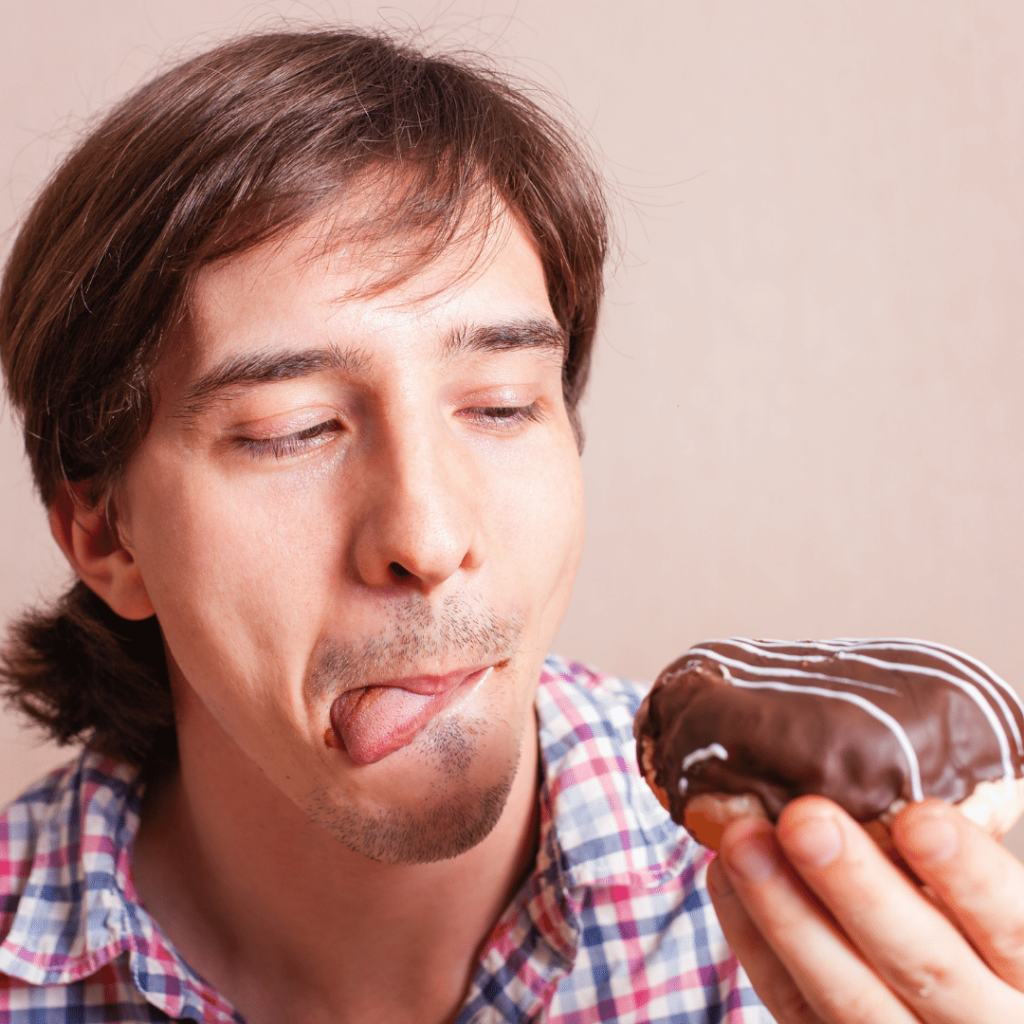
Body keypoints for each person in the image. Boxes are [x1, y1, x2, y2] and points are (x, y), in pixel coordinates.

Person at [0, 26, 1021, 1024]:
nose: (429, 539)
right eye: (293, 429)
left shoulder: (812, 922)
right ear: (107, 535)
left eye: (499, 407)